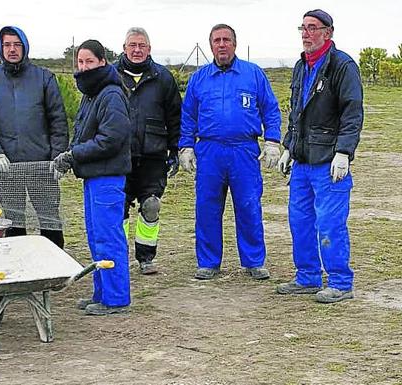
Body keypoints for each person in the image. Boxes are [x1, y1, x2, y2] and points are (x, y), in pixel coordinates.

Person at [179, 24, 282, 280]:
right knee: (207, 208)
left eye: (226, 40)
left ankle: (254, 261)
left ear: (235, 44)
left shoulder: (253, 74)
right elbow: (188, 115)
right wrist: (186, 145)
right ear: (210, 45)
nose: (222, 45)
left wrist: (272, 140)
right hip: (209, 151)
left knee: (248, 205)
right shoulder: (199, 79)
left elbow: (270, 109)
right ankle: (208, 262)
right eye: (217, 40)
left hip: (244, 151)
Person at [276, 10, 363, 303]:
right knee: (299, 221)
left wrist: (344, 152)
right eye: (303, 27)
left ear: (328, 32)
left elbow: (352, 112)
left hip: (329, 161)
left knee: (329, 222)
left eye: (313, 28)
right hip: (303, 160)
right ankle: (308, 277)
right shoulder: (302, 66)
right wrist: (289, 146)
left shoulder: (343, 66)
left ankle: (340, 282)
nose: (306, 33)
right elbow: (296, 113)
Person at [53, 39, 131, 316]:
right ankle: (102, 293)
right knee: (97, 237)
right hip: (94, 177)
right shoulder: (93, 94)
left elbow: (110, 139)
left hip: (108, 177)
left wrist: (74, 155)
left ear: (102, 62)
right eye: (80, 62)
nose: (84, 67)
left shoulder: (110, 94)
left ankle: (116, 299)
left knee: (108, 237)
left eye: (89, 61)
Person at [0, 26, 69, 248]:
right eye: (7, 45)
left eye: (17, 44)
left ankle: (54, 265)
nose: (12, 49)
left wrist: (57, 157)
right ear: (1, 48)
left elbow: (58, 121)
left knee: (49, 217)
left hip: (42, 164)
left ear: (25, 47)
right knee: (13, 218)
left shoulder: (44, 78)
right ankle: (18, 268)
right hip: (7, 166)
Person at [115, 27, 182, 275]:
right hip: (119, 156)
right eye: (132, 45)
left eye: (142, 45)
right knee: (118, 208)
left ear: (149, 49)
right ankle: (118, 256)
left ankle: (146, 257)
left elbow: (175, 116)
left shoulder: (163, 78)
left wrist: (175, 149)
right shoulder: (111, 75)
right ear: (124, 48)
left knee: (151, 206)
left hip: (153, 155)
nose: (137, 49)